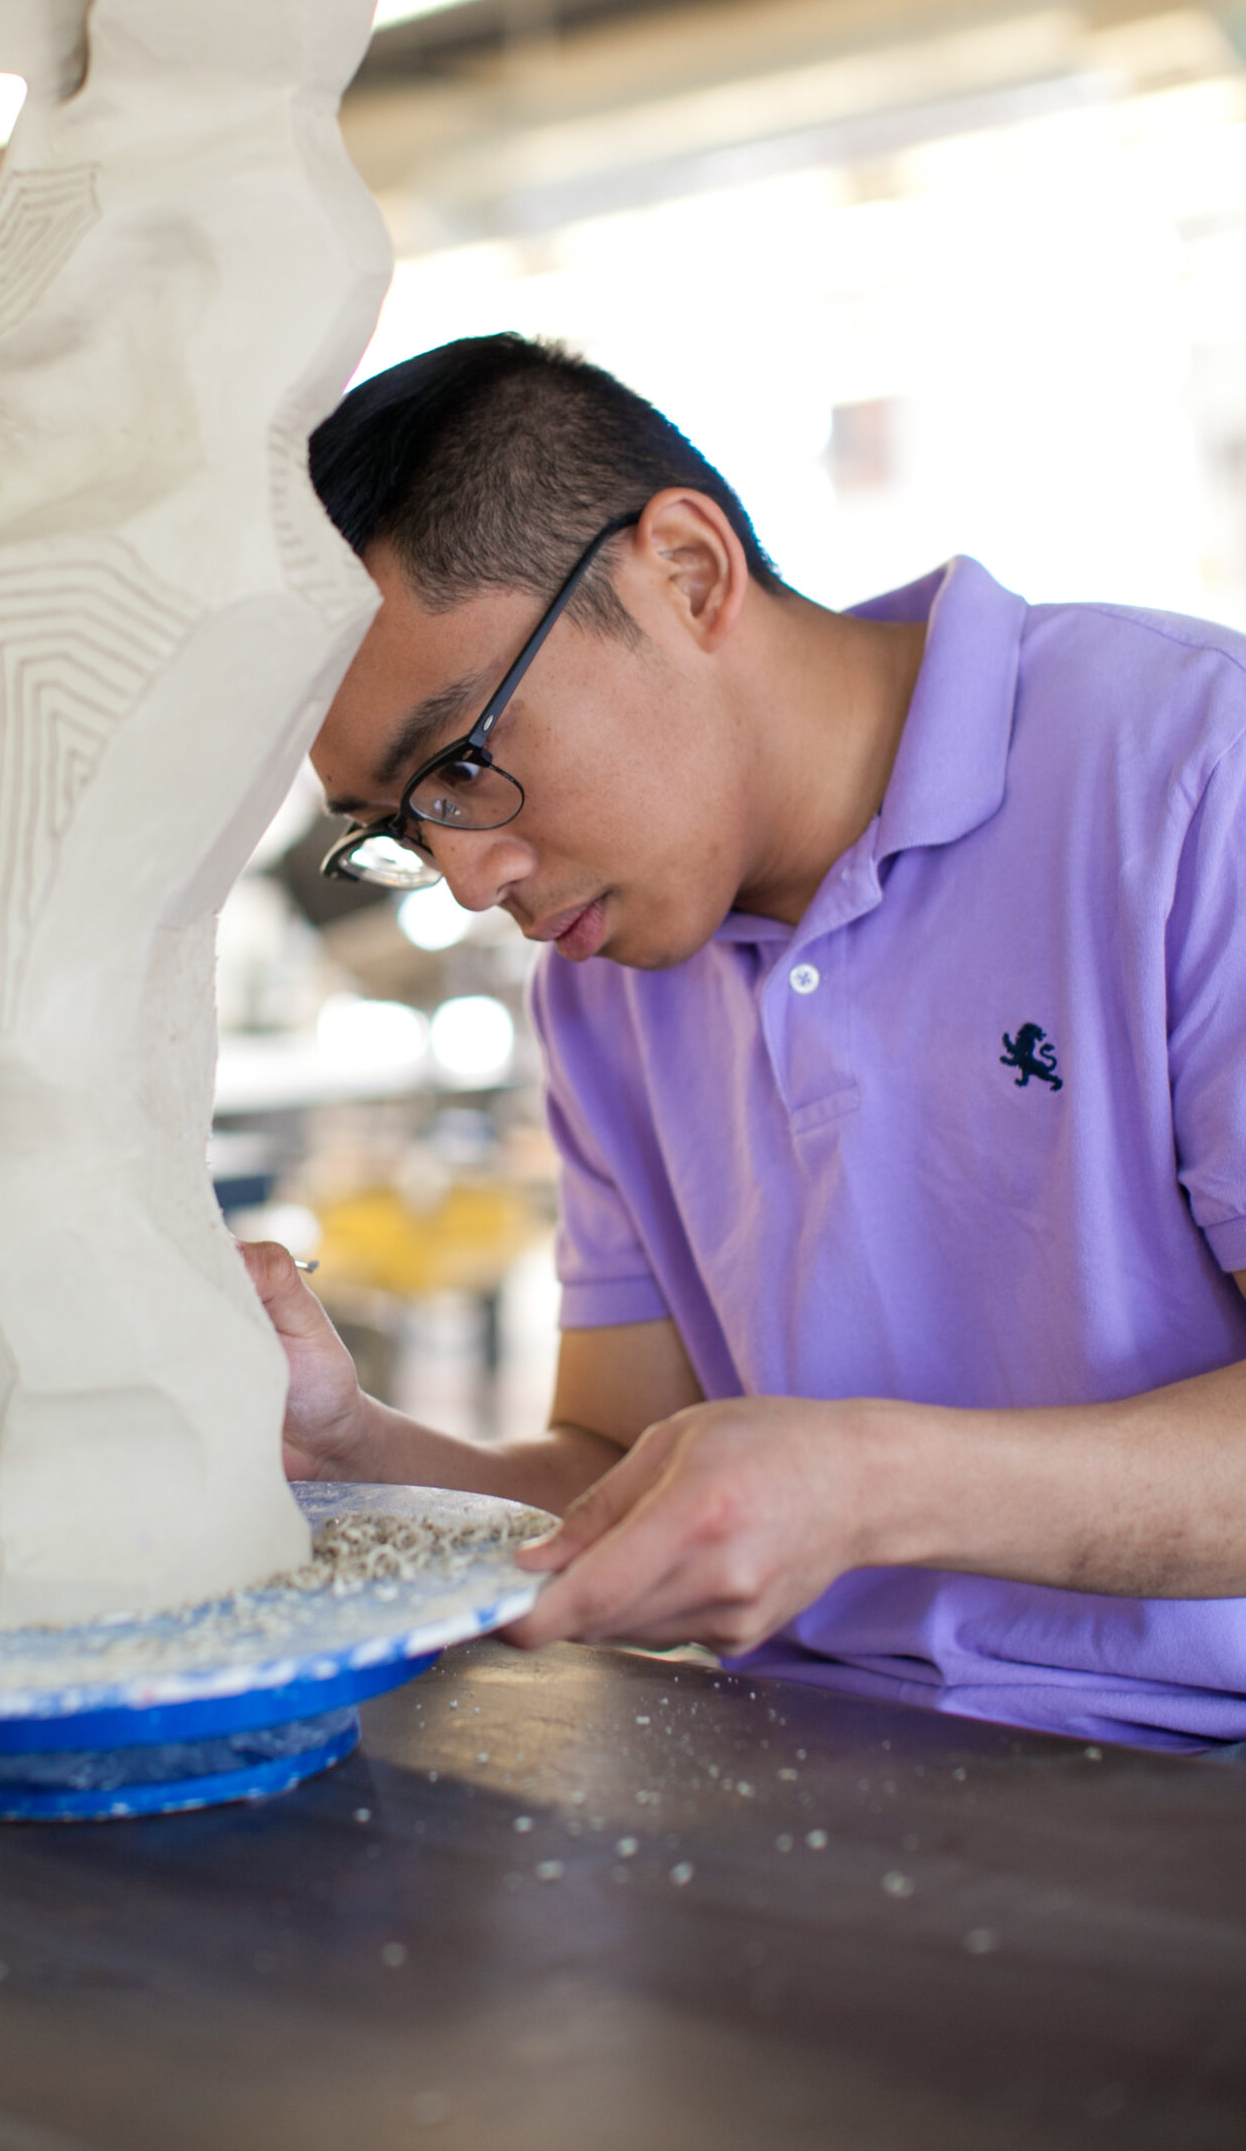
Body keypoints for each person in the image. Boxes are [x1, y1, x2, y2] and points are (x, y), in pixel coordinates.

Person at [238, 331, 1246, 1751]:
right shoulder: (603, 981)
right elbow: (610, 1466)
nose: (466, 880)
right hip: (800, 1758)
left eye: (461, 766)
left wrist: (866, 1483)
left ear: (688, 573)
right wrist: (354, 1450)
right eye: (402, 831)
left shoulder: (1193, 777)